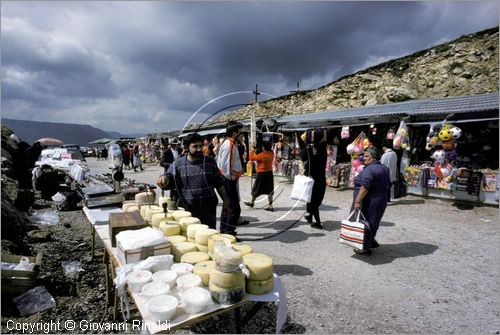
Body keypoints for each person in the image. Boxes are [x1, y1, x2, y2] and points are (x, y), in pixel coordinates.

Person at [156, 133, 227, 229]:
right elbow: (168, 177)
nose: (198, 149)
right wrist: (163, 179)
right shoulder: (178, 164)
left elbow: (219, 183)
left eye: (200, 146)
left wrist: (226, 201)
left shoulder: (210, 162)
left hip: (208, 210)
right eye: (195, 146)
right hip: (186, 211)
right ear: (187, 147)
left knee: (207, 237)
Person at [352, 146, 390, 255]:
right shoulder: (384, 168)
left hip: (369, 201)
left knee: (365, 221)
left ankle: (364, 247)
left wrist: (358, 201)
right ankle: (371, 241)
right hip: (381, 199)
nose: (364, 158)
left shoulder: (369, 169)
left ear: (373, 157)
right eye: (364, 156)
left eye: (367, 156)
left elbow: (365, 186)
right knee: (374, 221)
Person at [217, 121, 244, 237]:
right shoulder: (230, 144)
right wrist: (231, 177)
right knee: (234, 208)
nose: (242, 136)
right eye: (240, 133)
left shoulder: (228, 143)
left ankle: (224, 229)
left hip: (227, 179)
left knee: (227, 205)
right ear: (234, 133)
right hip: (228, 180)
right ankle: (229, 232)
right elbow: (226, 164)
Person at [300, 133, 328, 229]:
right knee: (311, 201)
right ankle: (310, 217)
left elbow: (304, 157)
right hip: (321, 181)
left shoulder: (312, 155)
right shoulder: (323, 154)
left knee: (313, 202)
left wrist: (305, 145)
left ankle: (318, 223)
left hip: (314, 182)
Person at [244, 138, 274, 211]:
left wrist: (252, 149)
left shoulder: (262, 155)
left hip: (261, 173)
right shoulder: (272, 153)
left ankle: (252, 202)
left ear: (264, 147)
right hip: (269, 173)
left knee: (256, 188)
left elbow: (251, 158)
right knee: (270, 189)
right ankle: (270, 205)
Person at [160, 139, 180, 208]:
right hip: (170, 173)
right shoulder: (166, 152)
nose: (175, 146)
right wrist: (172, 165)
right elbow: (162, 163)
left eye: (176, 144)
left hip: (179, 172)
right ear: (171, 145)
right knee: (172, 187)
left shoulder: (180, 151)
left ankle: (178, 202)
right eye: (174, 144)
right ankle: (172, 203)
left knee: (178, 187)